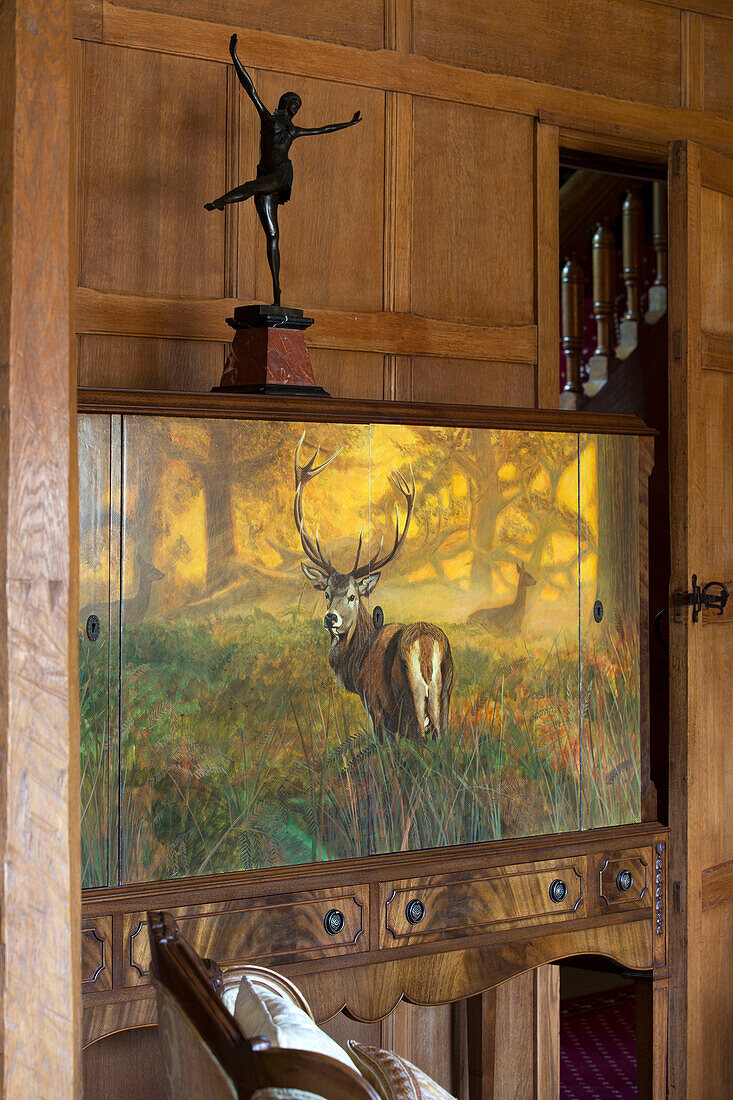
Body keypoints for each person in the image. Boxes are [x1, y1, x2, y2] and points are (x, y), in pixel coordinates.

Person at [205, 34, 362, 306]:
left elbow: (323, 129)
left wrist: (349, 124)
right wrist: (234, 56)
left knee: (252, 187)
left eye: (298, 106)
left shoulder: (294, 130)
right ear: (284, 102)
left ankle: (221, 202)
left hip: (281, 175)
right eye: (294, 103)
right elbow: (249, 88)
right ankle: (277, 291)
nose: (296, 108)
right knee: (273, 235)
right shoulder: (268, 118)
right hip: (265, 175)